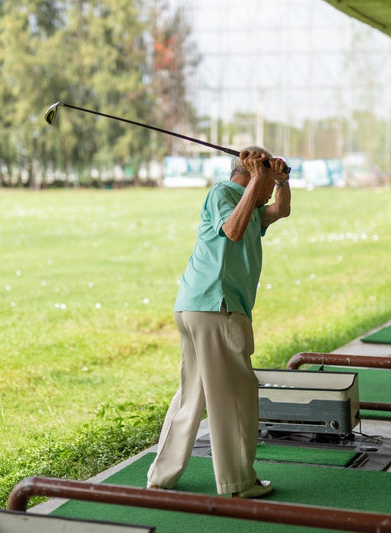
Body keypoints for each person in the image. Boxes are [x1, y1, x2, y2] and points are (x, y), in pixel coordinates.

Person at [146, 146, 291, 499]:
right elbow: (233, 229)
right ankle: (237, 483)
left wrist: (282, 181)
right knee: (237, 397)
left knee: (191, 395)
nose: (269, 185)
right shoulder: (225, 192)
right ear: (247, 172)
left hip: (198, 306)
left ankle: (161, 477)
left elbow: (279, 210)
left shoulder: (252, 206)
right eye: (267, 175)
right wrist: (259, 176)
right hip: (217, 308)